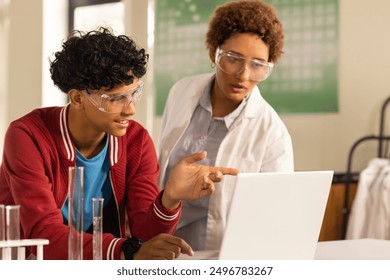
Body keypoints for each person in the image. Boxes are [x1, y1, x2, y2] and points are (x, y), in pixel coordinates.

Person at [0, 27, 238, 260]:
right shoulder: (27, 135)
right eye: (116, 99)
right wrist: (127, 250)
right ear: (78, 98)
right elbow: (44, 235)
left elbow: (146, 236)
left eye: (134, 93)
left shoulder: (136, 140)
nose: (131, 109)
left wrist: (170, 198)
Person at [157, 0, 294, 251]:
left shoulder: (273, 134)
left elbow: (275, 218)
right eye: (233, 58)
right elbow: (160, 170)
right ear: (214, 52)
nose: (244, 75)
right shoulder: (181, 92)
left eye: (257, 65)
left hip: (223, 255)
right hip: (163, 247)